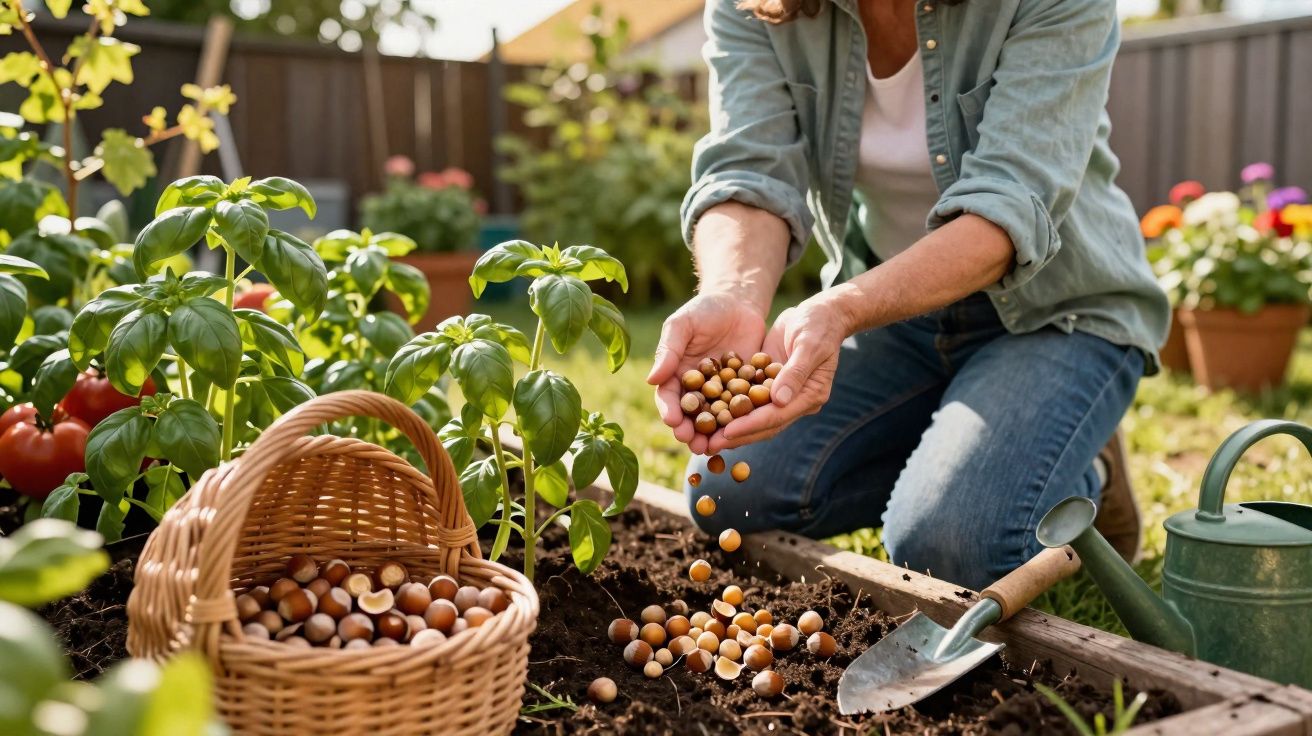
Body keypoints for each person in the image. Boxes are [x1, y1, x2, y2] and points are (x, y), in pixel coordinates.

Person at [646, 0, 1169, 591]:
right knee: (729, 493)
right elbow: (749, 170)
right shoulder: (759, 6)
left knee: (945, 549)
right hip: (897, 312)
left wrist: (844, 308)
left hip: (1057, 312)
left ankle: (1081, 470)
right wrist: (733, 293)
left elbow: (1010, 205)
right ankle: (975, 450)